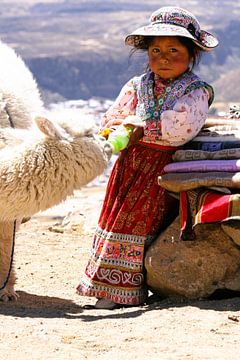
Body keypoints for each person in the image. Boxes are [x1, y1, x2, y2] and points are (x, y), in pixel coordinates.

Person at [77, 6, 218, 309]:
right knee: (117, 219)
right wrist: (116, 126)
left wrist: (145, 127)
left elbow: (182, 127)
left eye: (173, 50)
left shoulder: (196, 91)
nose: (163, 57)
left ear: (192, 54)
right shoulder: (137, 85)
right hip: (129, 166)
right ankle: (110, 287)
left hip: (163, 168)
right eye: (156, 49)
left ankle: (128, 288)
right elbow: (114, 114)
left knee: (141, 224)